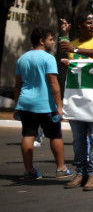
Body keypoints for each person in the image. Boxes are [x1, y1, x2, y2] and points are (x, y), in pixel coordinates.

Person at [59, 12, 93, 191]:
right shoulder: (72, 44)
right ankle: (80, 173)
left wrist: (75, 51)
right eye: (89, 23)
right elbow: (68, 56)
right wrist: (65, 37)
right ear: (80, 25)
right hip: (77, 99)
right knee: (78, 139)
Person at [14, 27, 71, 180]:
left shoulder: (22, 58)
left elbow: (18, 85)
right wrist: (59, 106)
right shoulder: (48, 58)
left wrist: (16, 105)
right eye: (51, 39)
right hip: (45, 104)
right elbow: (53, 83)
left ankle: (29, 170)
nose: (53, 42)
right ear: (41, 40)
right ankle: (61, 168)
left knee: (28, 134)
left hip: (25, 103)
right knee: (55, 135)